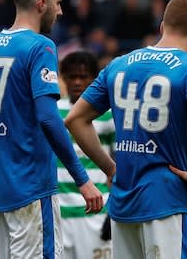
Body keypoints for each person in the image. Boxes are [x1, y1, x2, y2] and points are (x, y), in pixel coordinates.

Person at [0, 0, 107, 258]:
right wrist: (82, 179)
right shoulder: (40, 46)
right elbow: (48, 118)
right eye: (58, 2)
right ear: (42, 4)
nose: (61, 11)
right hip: (32, 190)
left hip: (1, 192)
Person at [65, 0, 187, 259]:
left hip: (123, 203)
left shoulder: (118, 65)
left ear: (162, 26)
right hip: (168, 201)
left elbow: (75, 120)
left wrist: (110, 168)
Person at [57, 51, 115, 259]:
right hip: (58, 214)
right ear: (63, 78)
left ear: (94, 79)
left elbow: (120, 164)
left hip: (97, 213)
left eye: (83, 77)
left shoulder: (107, 115)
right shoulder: (52, 113)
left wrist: (114, 209)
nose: (77, 82)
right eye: (72, 77)